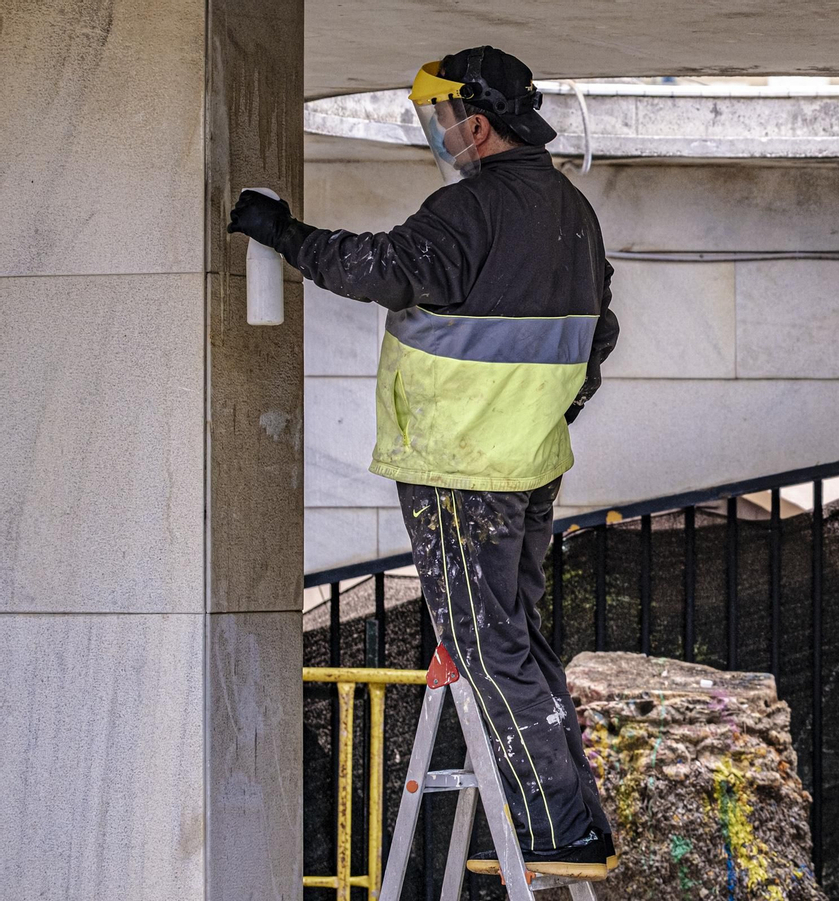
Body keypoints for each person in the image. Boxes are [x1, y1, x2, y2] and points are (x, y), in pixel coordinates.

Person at [228, 46, 619, 879]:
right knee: (516, 639)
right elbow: (600, 334)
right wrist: (550, 406)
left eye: (442, 120)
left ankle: (556, 825)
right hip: (529, 464)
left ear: (476, 124)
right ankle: (575, 810)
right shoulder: (572, 212)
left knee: (484, 650)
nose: (439, 135)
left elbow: (380, 269)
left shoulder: (469, 210)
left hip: (459, 470)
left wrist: (282, 234)